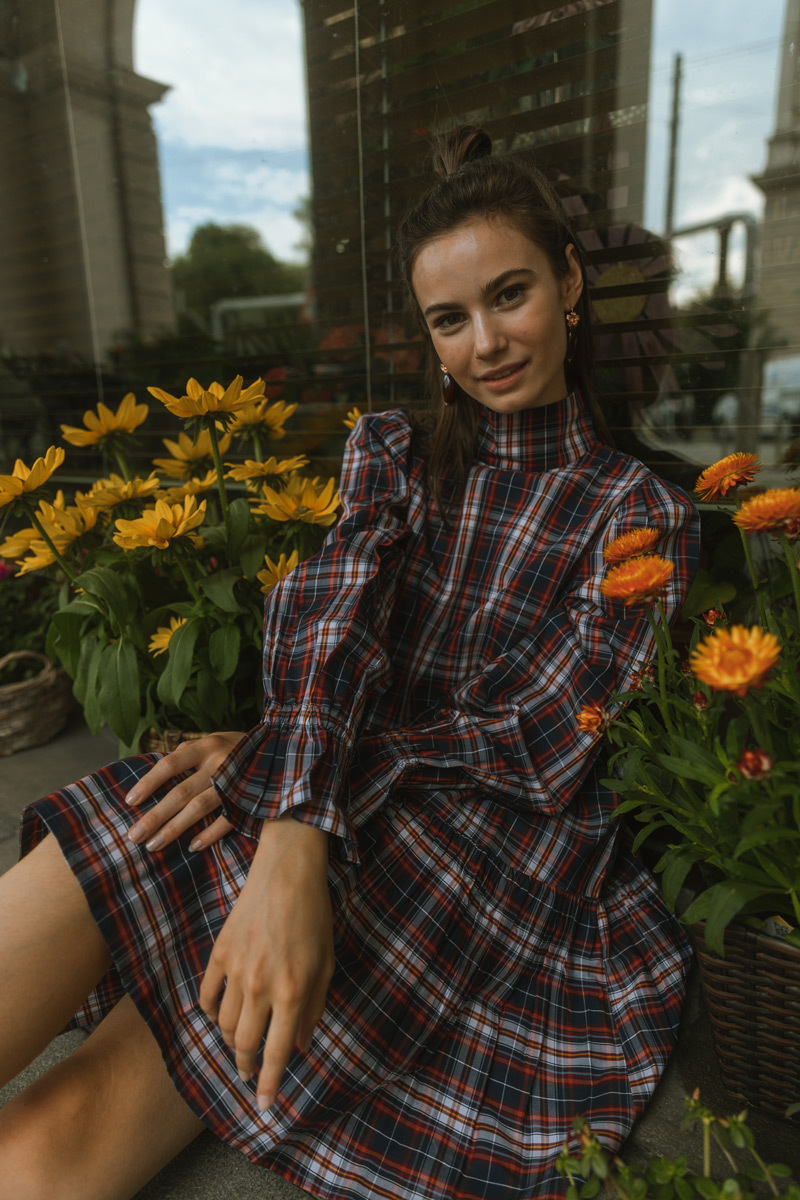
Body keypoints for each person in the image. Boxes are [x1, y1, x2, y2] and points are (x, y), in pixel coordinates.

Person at [0, 126, 699, 1200]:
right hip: (330, 778)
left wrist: (301, 798)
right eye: (449, 320)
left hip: (480, 847)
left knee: (59, 1128)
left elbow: (541, 740)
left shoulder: (636, 508)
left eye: (509, 294)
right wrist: (291, 810)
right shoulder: (394, 451)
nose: (486, 344)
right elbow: (332, 622)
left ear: (567, 283)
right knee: (133, 822)